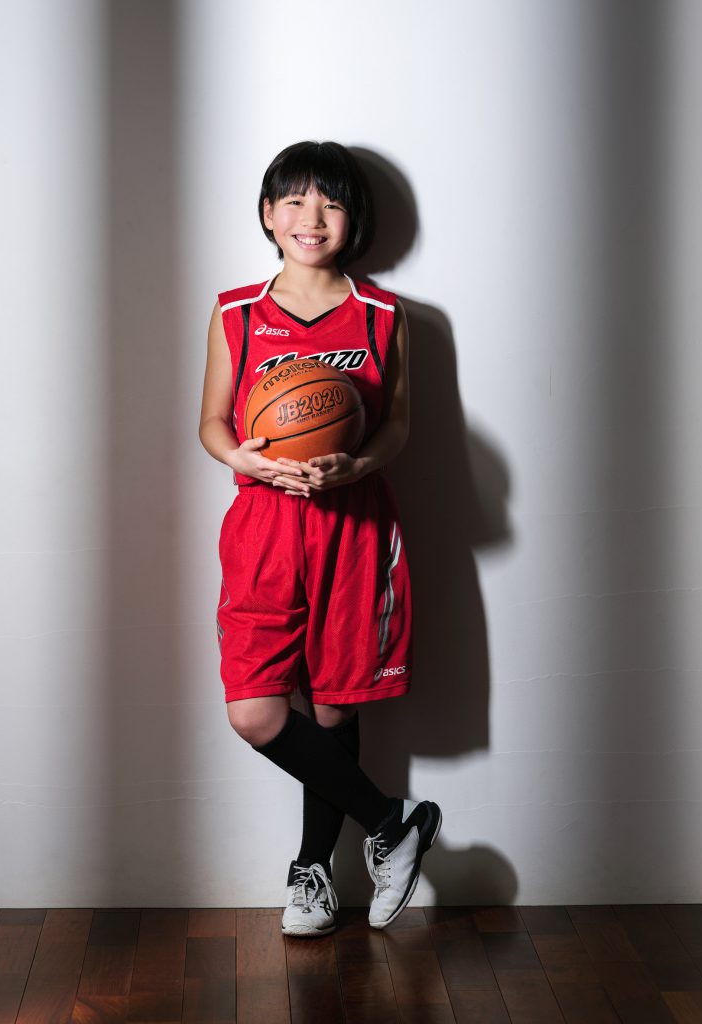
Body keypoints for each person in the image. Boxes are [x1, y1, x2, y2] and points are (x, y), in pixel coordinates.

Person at [199, 140, 441, 936]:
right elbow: (211, 422)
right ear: (268, 214)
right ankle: (391, 821)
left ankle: (312, 875)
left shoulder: (382, 315)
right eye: (295, 201)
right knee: (255, 711)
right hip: (264, 525)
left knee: (335, 705)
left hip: (353, 525)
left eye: (331, 202)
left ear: (353, 219)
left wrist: (354, 464)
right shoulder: (236, 311)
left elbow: (396, 424)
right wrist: (241, 458)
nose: (313, 217)